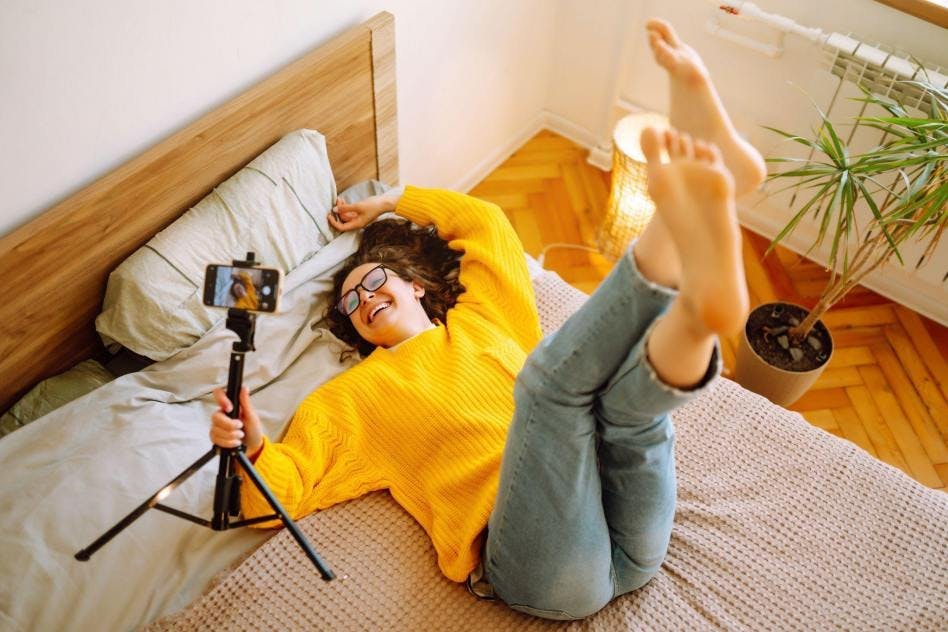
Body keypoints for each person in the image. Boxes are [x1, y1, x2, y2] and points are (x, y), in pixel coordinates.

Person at [209, 19, 766, 619]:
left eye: (373, 281)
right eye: (352, 303)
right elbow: (275, 498)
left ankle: (700, 312)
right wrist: (251, 446)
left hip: (629, 523)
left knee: (627, 415)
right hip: (542, 568)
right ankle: (677, 227)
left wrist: (390, 200)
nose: (364, 299)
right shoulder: (350, 399)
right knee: (549, 391)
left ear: (417, 287)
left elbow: (487, 226)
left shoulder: (483, 316)